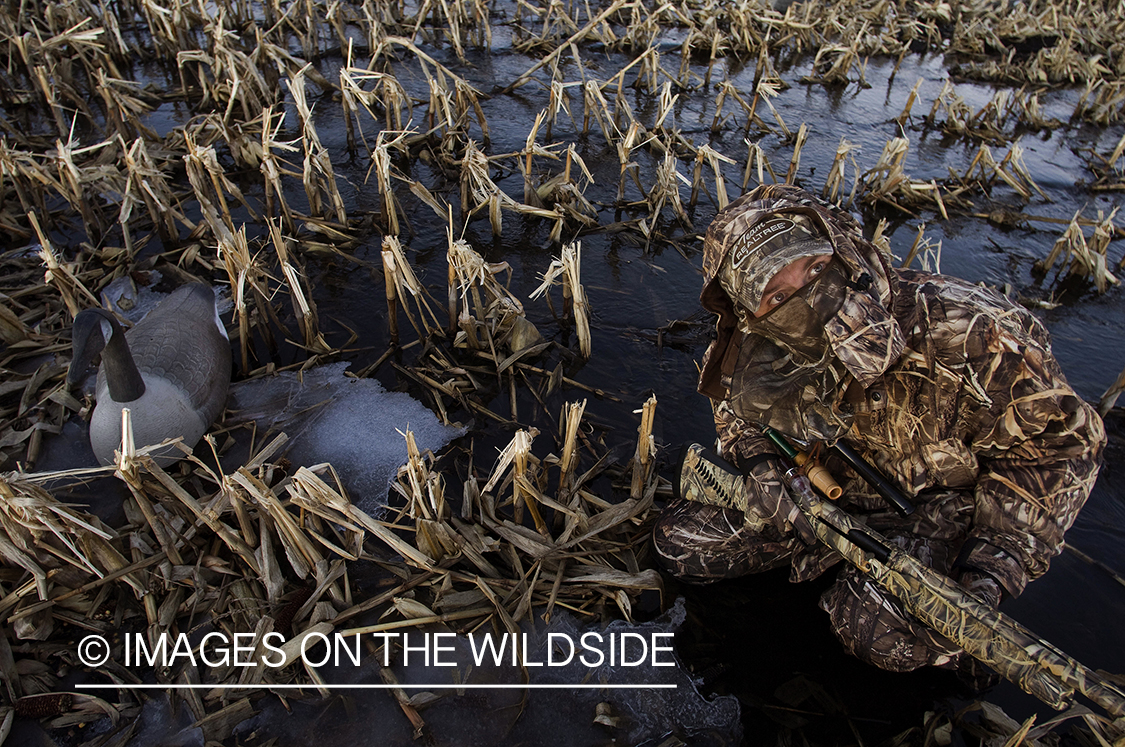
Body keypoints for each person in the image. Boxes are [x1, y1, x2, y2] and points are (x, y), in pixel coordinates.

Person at [653, 184, 1106, 673]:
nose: (806, 300)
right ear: (749, 311)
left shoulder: (975, 332)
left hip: (935, 510)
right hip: (822, 496)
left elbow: (1057, 448)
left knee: (876, 633)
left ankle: (921, 621)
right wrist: (764, 470)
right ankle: (837, 565)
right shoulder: (754, 348)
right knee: (680, 546)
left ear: (843, 252)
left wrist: (990, 571)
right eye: (776, 295)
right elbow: (737, 413)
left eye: (815, 268)